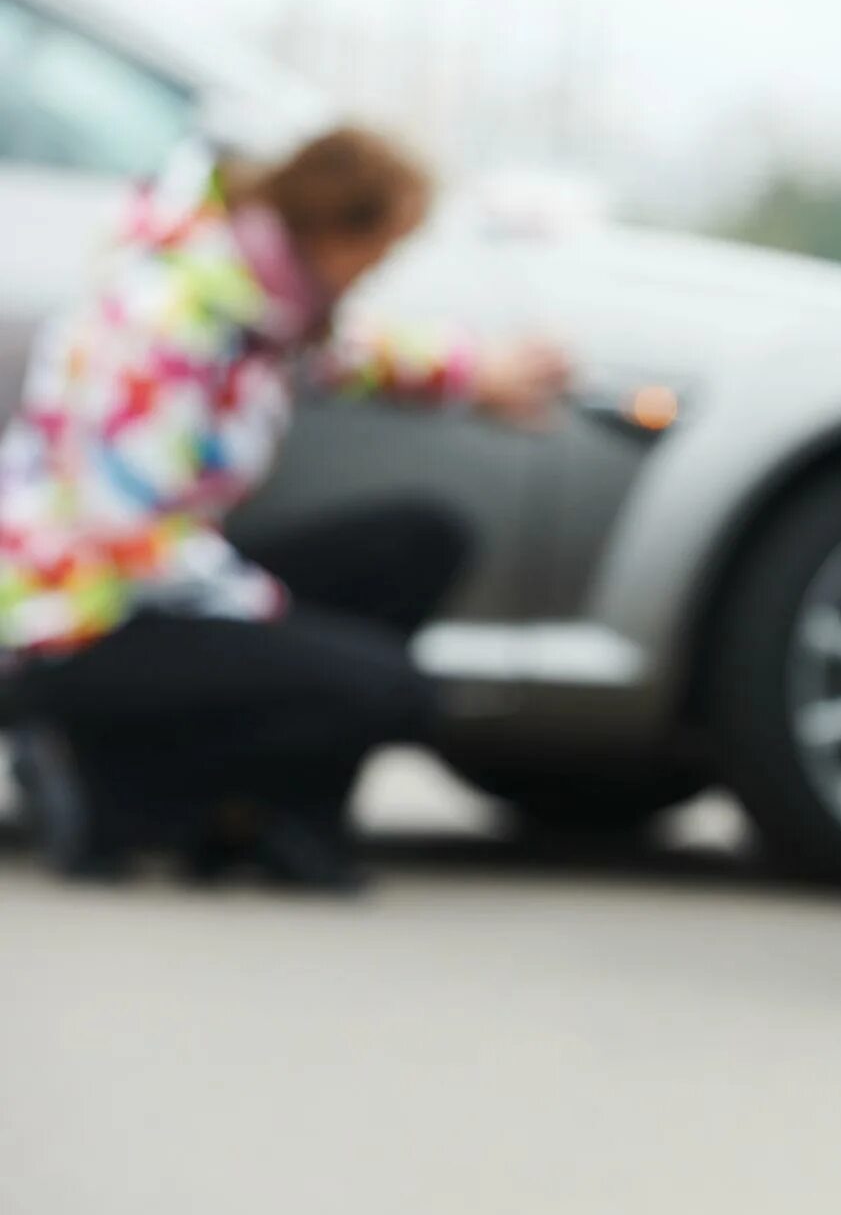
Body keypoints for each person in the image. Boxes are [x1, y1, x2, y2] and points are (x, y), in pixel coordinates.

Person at [0, 126, 570, 889]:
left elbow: (353, 353)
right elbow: (125, 529)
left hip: (150, 586)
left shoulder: (259, 296)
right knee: (385, 686)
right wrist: (277, 618)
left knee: (420, 540)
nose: (381, 269)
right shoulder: (163, 320)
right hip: (71, 619)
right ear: (335, 229)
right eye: (384, 248)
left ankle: (270, 817)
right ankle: (108, 780)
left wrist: (481, 374)